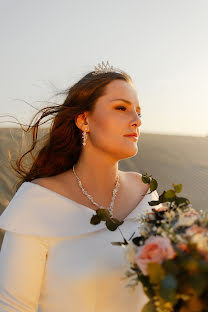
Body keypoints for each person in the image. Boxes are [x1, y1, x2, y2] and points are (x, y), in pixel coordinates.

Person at [0, 62, 160, 312]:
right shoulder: (37, 203)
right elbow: (12, 307)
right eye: (121, 108)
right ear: (84, 120)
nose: (137, 120)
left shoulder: (146, 192)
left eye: (139, 112)